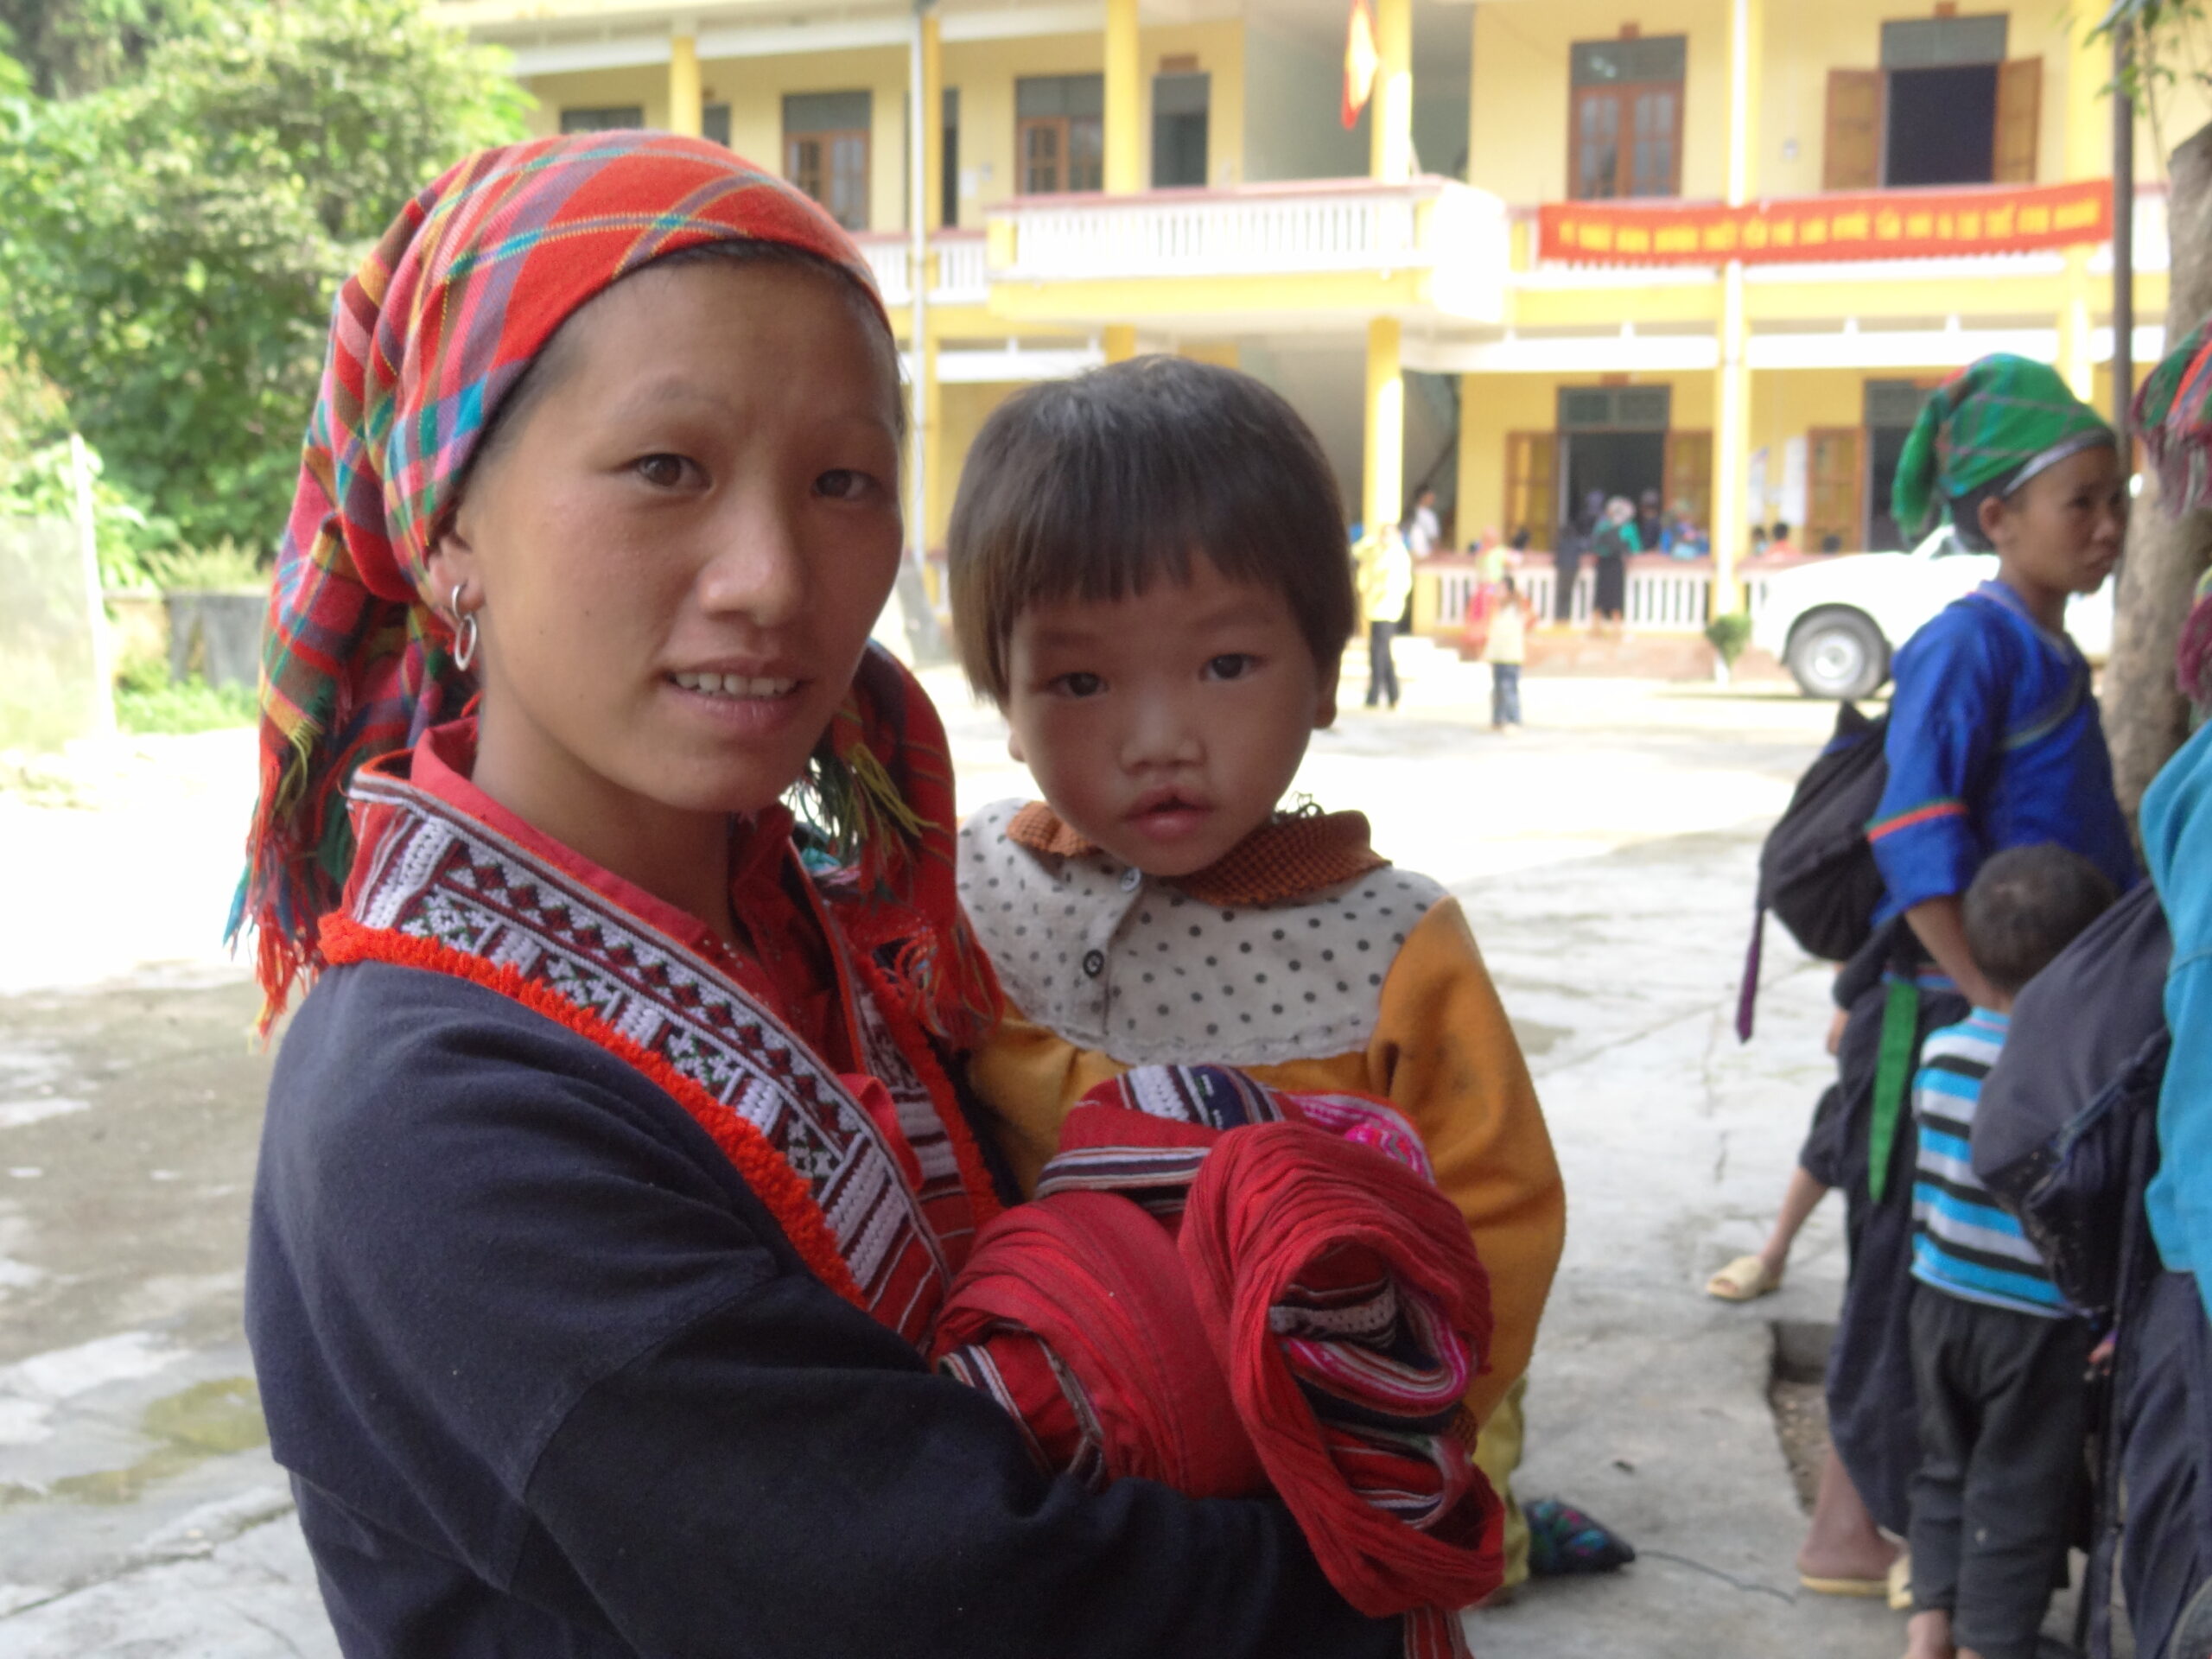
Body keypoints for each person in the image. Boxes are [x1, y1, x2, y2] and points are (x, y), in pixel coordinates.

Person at [238, 133, 1416, 1658]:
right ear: (449, 518)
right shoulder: (433, 1116)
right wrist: (1387, 1573)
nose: (774, 578)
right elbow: (950, 1602)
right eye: (668, 468)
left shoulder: (824, 916)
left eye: (844, 481)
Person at [943, 353, 1570, 1601]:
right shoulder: (972, 897)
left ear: (1329, 672)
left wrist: (1387, 1427)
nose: (1160, 737)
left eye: (1227, 666)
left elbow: (1494, 1224)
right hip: (1044, 1475)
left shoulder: (1391, 945)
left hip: (1311, 1489)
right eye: (1080, 682)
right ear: (1005, 707)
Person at [1810, 353, 2139, 1593]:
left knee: (1945, 1278)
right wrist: (1995, 1000)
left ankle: (1896, 1542)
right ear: (1997, 518)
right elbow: (1913, 832)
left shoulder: (2045, 647)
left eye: (2117, 501)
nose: (2107, 527)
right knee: (1912, 1275)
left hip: (2006, 1022)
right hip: (1943, 1023)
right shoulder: (1970, 643)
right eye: (2081, 504)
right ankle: (1871, 1542)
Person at [1902, 845, 2118, 1659]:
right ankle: (1993, 1646)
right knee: (2019, 1489)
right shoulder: (2075, 1083)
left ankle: (1930, 1633)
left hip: (1938, 1298)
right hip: (2033, 1323)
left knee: (1945, 1470)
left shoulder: (1941, 1055)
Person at [1356, 520, 1412, 709]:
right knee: (1381, 652)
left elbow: (1400, 583)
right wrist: (1371, 537)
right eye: (1383, 534)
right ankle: (1392, 695)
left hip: (1388, 608)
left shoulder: (1399, 555)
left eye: (1389, 534)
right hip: (1374, 608)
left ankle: (1375, 694)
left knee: (1379, 652)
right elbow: (1357, 551)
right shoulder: (1376, 550)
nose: (1385, 538)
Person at [1484, 575, 1530, 734]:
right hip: (1498, 657)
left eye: (1502, 589)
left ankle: (1513, 720)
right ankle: (1498, 720)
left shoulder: (1515, 610)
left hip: (1510, 658)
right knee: (1497, 691)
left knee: (1509, 690)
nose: (1498, 592)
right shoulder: (1500, 611)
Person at [1589, 495, 1638, 635]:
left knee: (1601, 595)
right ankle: (1615, 629)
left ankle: (1596, 628)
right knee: (1616, 595)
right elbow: (1635, 547)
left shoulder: (1602, 525)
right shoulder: (1627, 527)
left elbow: (1593, 544)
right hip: (1616, 563)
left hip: (1604, 563)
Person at [1406, 486, 1441, 560]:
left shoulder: (1409, 512)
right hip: (1421, 554)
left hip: (1415, 554)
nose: (1433, 499)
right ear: (1423, 497)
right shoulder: (1428, 515)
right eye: (1430, 497)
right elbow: (1434, 538)